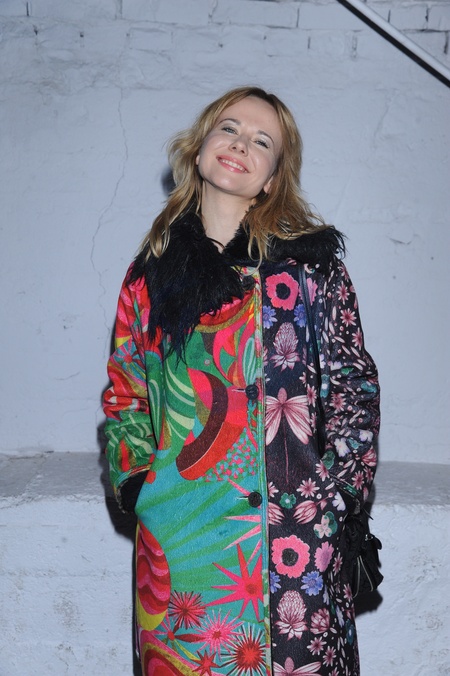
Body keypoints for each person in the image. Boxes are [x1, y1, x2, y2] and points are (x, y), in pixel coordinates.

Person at [103, 86, 380, 676]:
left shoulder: (311, 272)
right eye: (228, 128)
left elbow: (354, 388)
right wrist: (138, 488)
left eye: (262, 141)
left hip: (294, 546)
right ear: (200, 147)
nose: (240, 144)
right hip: (181, 548)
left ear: (272, 179)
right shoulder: (149, 276)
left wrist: (336, 499)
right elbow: (126, 392)